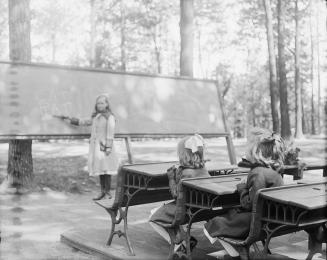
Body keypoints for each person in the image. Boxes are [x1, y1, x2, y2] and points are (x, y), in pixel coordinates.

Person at [203, 128, 285, 258]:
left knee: (216, 222)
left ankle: (237, 249)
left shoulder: (257, 172)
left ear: (256, 152)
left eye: (247, 146)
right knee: (228, 215)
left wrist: (242, 187)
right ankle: (236, 250)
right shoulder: (275, 172)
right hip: (271, 219)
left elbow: (248, 204)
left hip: (256, 222)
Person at [149, 134, 210, 255]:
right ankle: (182, 240)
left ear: (182, 154)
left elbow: (176, 195)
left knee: (153, 217)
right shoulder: (203, 169)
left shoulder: (185, 173)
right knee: (160, 211)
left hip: (186, 210)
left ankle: (180, 242)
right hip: (201, 208)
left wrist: (171, 179)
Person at [54, 93, 120, 200]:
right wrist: (68, 119)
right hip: (96, 147)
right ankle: (103, 191)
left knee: (106, 170)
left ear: (107, 104)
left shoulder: (110, 117)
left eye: (102, 103)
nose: (100, 105)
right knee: (101, 169)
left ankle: (107, 192)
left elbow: (110, 134)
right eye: (98, 103)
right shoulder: (96, 117)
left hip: (105, 147)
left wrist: (108, 148)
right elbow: (83, 122)